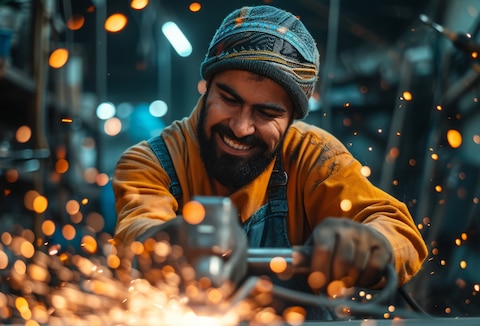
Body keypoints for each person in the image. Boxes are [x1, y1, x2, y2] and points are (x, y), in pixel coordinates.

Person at [113, 4, 428, 309]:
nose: (240, 127)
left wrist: (370, 244)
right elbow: (136, 230)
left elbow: (400, 233)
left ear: (291, 119)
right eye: (229, 99)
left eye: (266, 113)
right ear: (207, 87)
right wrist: (168, 241)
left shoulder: (315, 158)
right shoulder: (151, 162)